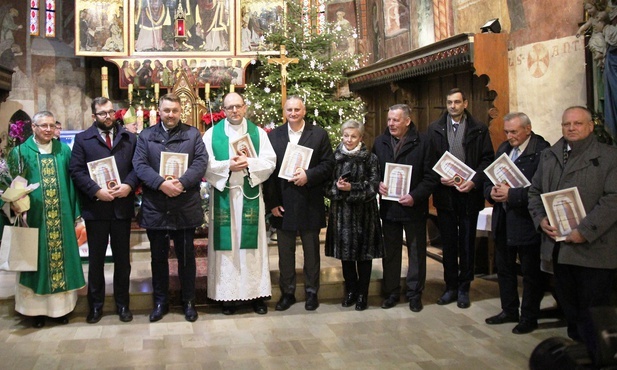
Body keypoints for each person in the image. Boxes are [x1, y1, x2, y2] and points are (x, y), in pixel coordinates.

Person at [528, 106, 617, 354]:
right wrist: (540, 218)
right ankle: (578, 356)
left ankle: (600, 358)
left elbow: (613, 199)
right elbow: (534, 192)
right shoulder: (549, 156)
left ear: (590, 126)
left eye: (578, 124)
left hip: (594, 250)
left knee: (596, 313)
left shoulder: (609, 157)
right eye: (567, 124)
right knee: (571, 310)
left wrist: (585, 230)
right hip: (560, 249)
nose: (572, 128)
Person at [133, 93, 208, 322]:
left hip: (184, 204)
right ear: (159, 110)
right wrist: (161, 184)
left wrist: (182, 183)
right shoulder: (146, 135)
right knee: (158, 258)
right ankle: (160, 301)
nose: (171, 115)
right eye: (166, 111)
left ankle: (188, 302)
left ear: (180, 111)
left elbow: (201, 162)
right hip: (157, 205)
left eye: (175, 110)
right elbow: (139, 164)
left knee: (186, 258)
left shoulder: (192, 134)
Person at [8, 111, 85, 328]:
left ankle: (60, 310)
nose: (48, 130)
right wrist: (14, 203)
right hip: (33, 219)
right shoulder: (20, 152)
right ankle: (34, 311)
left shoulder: (64, 150)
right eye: (43, 126)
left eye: (52, 125)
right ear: (33, 127)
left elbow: (72, 183)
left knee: (62, 261)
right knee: (36, 261)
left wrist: (75, 213)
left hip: (62, 217)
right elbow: (11, 183)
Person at [202, 92, 276, 315]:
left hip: (249, 194)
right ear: (223, 110)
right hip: (224, 196)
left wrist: (248, 163)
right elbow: (204, 163)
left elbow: (269, 161)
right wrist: (227, 166)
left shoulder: (258, 133)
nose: (234, 111)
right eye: (229, 107)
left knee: (252, 248)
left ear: (245, 107)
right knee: (227, 248)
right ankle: (227, 296)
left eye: (238, 106)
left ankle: (257, 295)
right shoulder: (211, 134)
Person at [69, 97, 139, 324]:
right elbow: (76, 170)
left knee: (122, 261)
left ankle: (123, 305)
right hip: (96, 209)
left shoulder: (129, 137)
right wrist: (96, 191)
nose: (108, 117)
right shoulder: (82, 139)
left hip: (121, 207)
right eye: (103, 114)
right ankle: (96, 306)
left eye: (111, 112)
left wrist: (129, 185)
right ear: (94, 116)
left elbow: (138, 165)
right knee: (96, 261)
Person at [264, 96, 335, 311]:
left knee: (312, 251)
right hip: (283, 201)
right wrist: (273, 203)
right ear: (284, 112)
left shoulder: (318, 134)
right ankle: (288, 293)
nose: (293, 113)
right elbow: (269, 171)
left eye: (297, 109)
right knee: (285, 253)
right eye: (289, 110)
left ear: (304, 111)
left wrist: (309, 175)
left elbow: (329, 164)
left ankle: (312, 292)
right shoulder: (274, 136)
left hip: (309, 200)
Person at [483, 112, 550, 334]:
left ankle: (529, 316)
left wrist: (512, 195)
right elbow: (489, 179)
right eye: (507, 132)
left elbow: (544, 189)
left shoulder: (542, 151)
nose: (510, 136)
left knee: (530, 273)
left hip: (527, 220)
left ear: (528, 129)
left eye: (514, 132)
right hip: (503, 219)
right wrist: (491, 192)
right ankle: (509, 310)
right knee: (505, 268)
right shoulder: (504, 149)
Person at [428, 88, 494, 309]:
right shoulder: (435, 129)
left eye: (457, 102)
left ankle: (465, 287)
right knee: (448, 243)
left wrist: (474, 180)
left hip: (469, 194)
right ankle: (450, 286)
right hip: (445, 194)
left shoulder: (479, 129)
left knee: (466, 243)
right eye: (449, 102)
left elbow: (487, 160)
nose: (453, 106)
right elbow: (428, 160)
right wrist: (439, 178)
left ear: (465, 103)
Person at [372, 104, 438, 311]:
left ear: (407, 121)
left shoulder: (424, 142)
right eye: (389, 119)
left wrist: (415, 196)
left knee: (416, 252)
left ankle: (414, 293)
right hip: (390, 209)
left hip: (413, 208)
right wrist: (377, 184)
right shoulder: (380, 142)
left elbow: (431, 176)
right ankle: (391, 292)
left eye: (396, 120)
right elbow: (372, 172)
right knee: (390, 253)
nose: (391, 123)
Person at [324, 119, 383, 311]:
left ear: (361, 137)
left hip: (365, 215)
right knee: (346, 256)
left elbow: (374, 186)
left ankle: (362, 294)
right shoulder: (334, 157)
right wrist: (338, 188)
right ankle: (350, 291)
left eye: (353, 136)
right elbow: (326, 186)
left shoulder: (370, 158)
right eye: (346, 136)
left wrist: (352, 188)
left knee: (364, 257)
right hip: (342, 214)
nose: (349, 139)